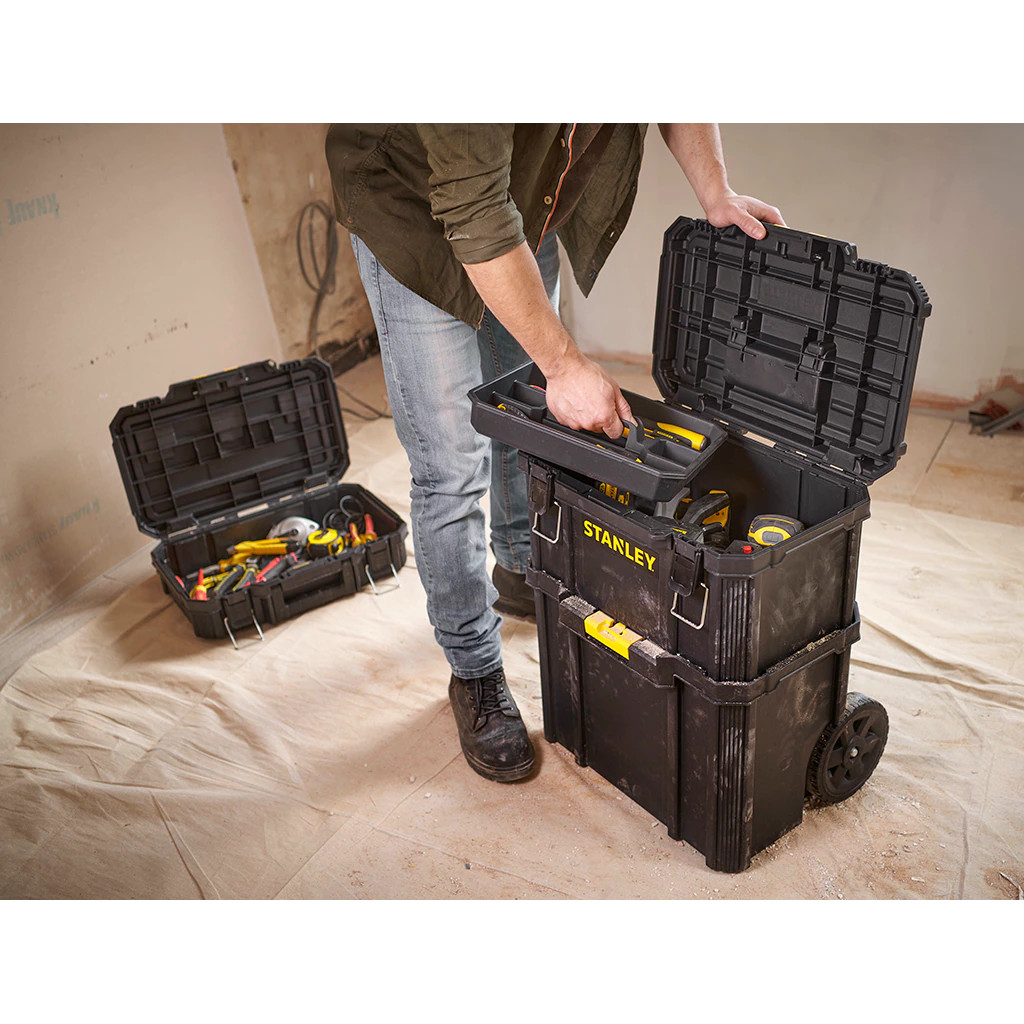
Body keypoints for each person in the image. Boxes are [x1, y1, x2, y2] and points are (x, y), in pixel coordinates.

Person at [325, 124, 784, 784]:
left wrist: (717, 191)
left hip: (519, 206)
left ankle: (521, 566)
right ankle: (473, 669)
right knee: (451, 467)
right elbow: (473, 206)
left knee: (530, 424)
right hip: (416, 213)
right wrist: (564, 364)